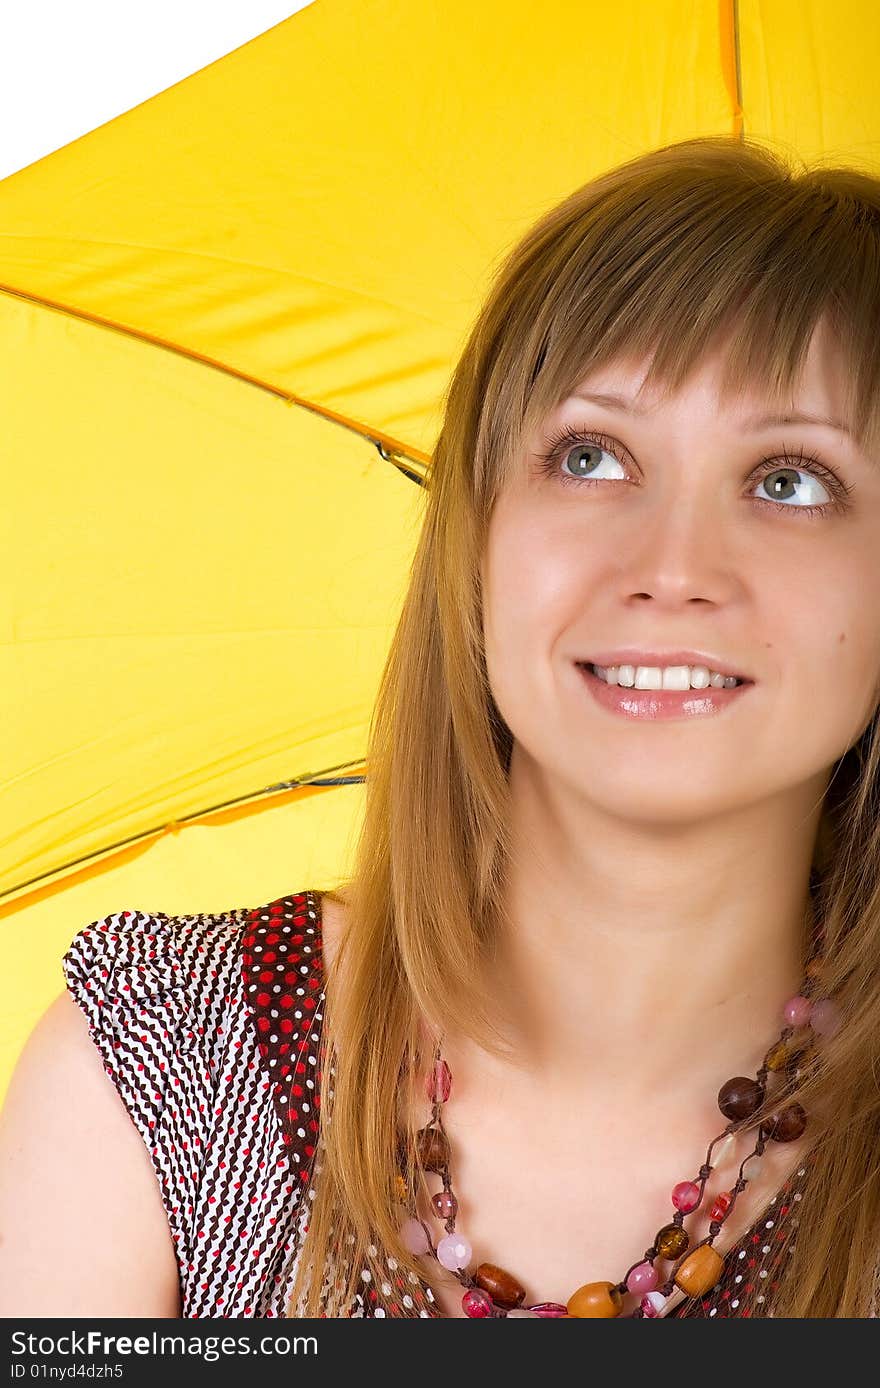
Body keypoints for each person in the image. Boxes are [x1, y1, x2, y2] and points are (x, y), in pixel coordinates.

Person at [2, 133, 880, 1319]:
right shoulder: (170, 1066)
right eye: (591, 454)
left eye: (790, 479)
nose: (673, 569)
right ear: (475, 534)